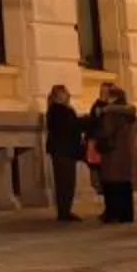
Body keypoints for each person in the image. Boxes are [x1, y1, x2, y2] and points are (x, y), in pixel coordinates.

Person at [91, 80, 137, 224]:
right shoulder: (129, 113)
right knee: (125, 186)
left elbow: (105, 132)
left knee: (112, 186)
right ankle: (127, 215)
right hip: (125, 155)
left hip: (112, 154)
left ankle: (113, 214)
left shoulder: (110, 114)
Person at [42, 84, 84, 221]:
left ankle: (64, 210)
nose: (68, 95)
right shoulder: (59, 111)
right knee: (65, 182)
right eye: (65, 93)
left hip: (63, 150)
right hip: (64, 151)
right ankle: (64, 211)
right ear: (59, 96)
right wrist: (83, 122)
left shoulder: (58, 110)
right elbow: (69, 128)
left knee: (65, 182)